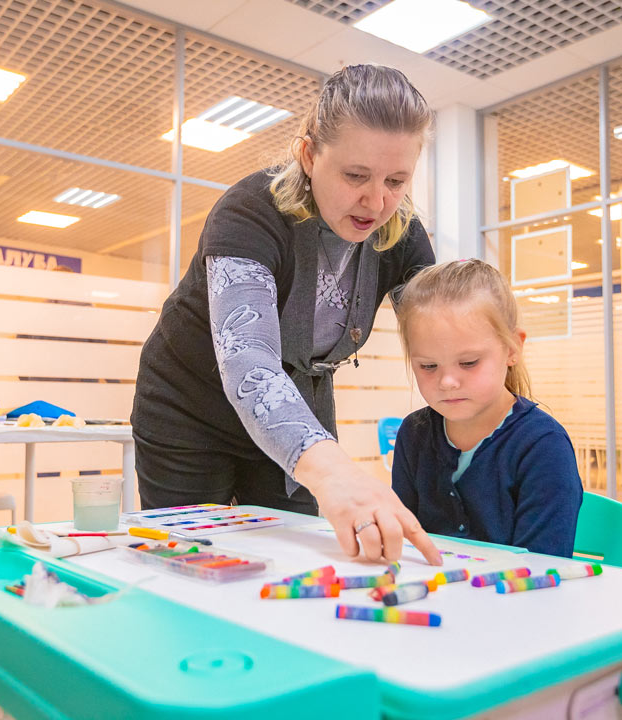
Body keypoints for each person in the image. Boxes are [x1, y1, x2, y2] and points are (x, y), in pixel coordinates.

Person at [132, 65, 441, 565]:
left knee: (290, 560)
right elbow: (249, 363)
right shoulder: (249, 212)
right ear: (309, 155)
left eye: (396, 180)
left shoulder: (400, 230)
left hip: (298, 407)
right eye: (355, 176)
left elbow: (447, 334)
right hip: (189, 410)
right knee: (187, 562)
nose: (376, 200)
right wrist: (336, 473)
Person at [390, 260, 582, 557]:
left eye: (469, 363)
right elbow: (404, 545)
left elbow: (542, 566)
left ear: (512, 349)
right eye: (428, 366)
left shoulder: (543, 446)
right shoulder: (413, 434)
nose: (448, 382)